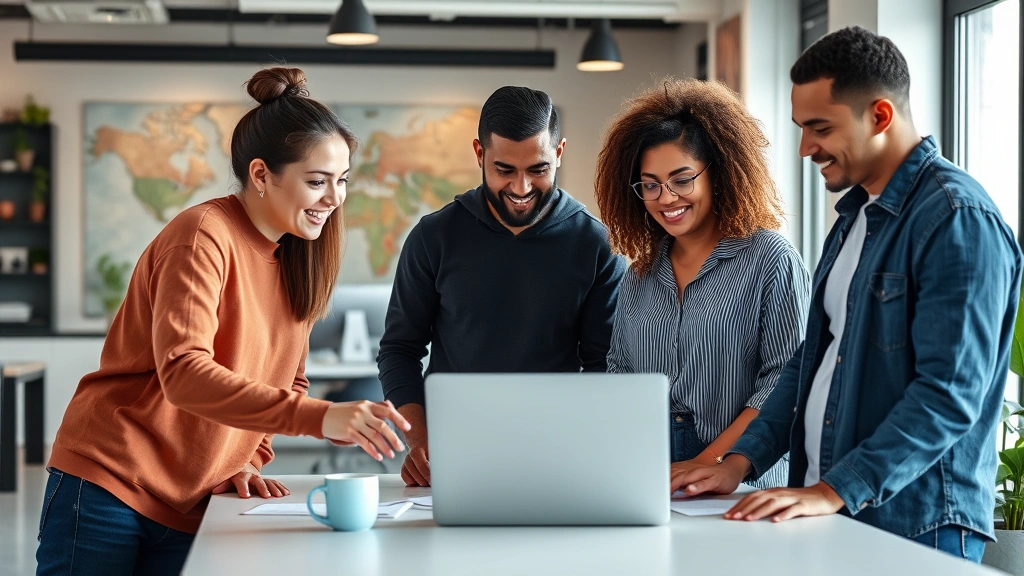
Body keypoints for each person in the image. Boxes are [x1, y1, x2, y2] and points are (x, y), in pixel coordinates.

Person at [36, 67, 410, 576]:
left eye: (342, 181)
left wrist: (247, 460)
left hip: (195, 499)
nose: (334, 199)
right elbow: (185, 372)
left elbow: (288, 378)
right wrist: (321, 417)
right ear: (261, 175)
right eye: (317, 182)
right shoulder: (202, 236)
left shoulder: (297, 258)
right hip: (110, 484)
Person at [673, 27, 1022, 562]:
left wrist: (834, 489)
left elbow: (950, 395)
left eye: (820, 128)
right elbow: (810, 363)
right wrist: (738, 462)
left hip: (913, 525)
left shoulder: (957, 219)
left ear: (880, 117)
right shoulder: (854, 216)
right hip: (833, 513)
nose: (805, 147)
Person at [377, 86, 626, 487]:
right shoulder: (433, 237)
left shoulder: (596, 244)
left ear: (559, 152)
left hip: (558, 452)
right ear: (480, 154)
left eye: (538, 169)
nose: (522, 188)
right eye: (505, 170)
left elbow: (602, 364)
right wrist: (419, 444)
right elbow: (400, 349)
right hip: (452, 451)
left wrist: (588, 445)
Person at [594, 79, 810, 490]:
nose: (666, 198)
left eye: (682, 179)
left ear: (719, 173)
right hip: (654, 478)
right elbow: (620, 376)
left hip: (744, 478)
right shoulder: (639, 274)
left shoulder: (771, 259)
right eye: (650, 184)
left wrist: (710, 461)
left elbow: (785, 382)